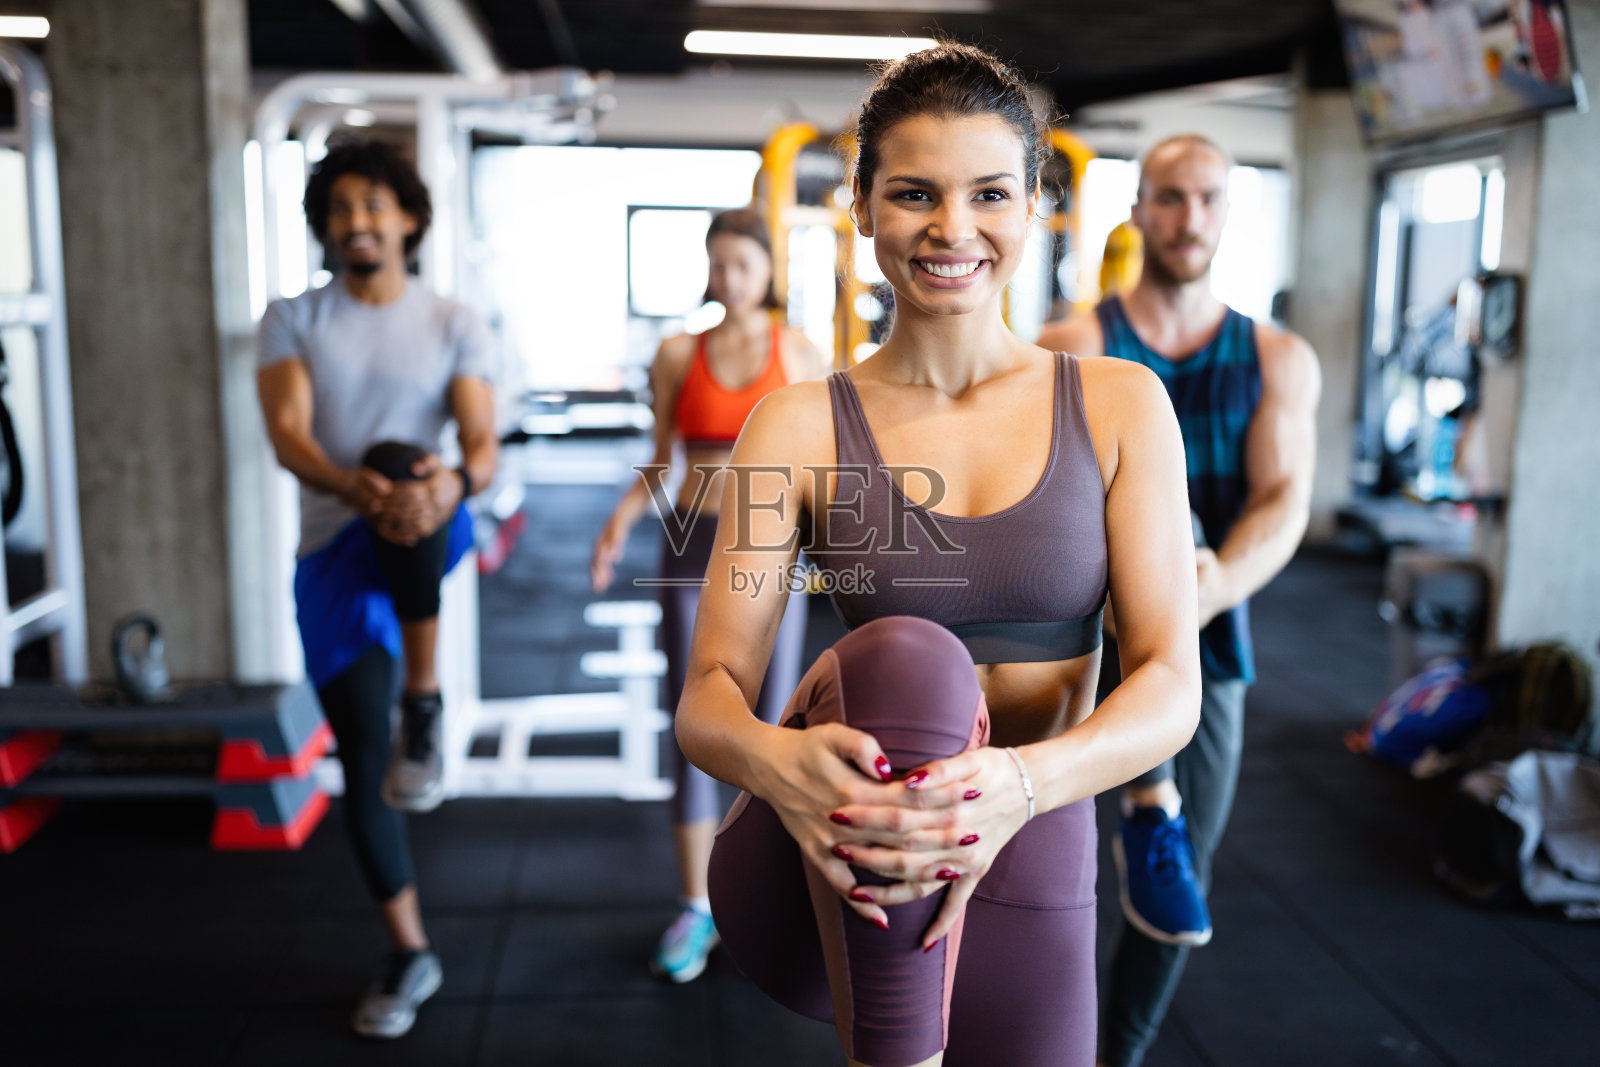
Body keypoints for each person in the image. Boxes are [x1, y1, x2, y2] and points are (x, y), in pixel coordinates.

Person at [675, 44, 1202, 1067]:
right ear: (863, 208)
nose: (951, 229)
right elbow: (709, 694)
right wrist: (780, 767)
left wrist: (1020, 778)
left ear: (1036, 205)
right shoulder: (794, 427)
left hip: (1036, 836)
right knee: (906, 659)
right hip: (857, 852)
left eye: (989, 193)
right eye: (913, 193)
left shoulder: (1120, 404)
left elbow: (1170, 683)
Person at [1037, 133, 1320, 1067]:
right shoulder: (1077, 347)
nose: (1188, 217)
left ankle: (1115, 1056)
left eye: (1206, 198)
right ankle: (1035, 1036)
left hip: (1207, 640)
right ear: (1138, 209)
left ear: (1227, 212)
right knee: (1041, 877)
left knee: (1174, 888)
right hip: (1083, 644)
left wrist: (1213, 585)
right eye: (1169, 197)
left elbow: (1284, 501)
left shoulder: (1277, 357)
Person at [256, 139, 499, 1039]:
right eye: (342, 207)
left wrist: (452, 485)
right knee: (363, 757)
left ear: (409, 220)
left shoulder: (450, 320)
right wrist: (351, 485)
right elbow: (286, 434)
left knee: (409, 463)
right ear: (325, 225)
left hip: (427, 523)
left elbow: (480, 440)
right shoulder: (293, 318)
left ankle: (425, 699)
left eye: (376, 204)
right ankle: (409, 947)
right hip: (334, 540)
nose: (359, 221)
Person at [590, 208, 829, 983]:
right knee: (694, 721)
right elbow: (660, 460)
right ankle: (696, 904)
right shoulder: (675, 354)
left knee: (775, 721)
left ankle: (769, 895)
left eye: (744, 263)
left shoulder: (797, 352)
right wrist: (617, 524)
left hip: (769, 551)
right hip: (692, 544)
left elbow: (824, 465)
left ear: (768, 270)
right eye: (718, 263)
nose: (730, 277)